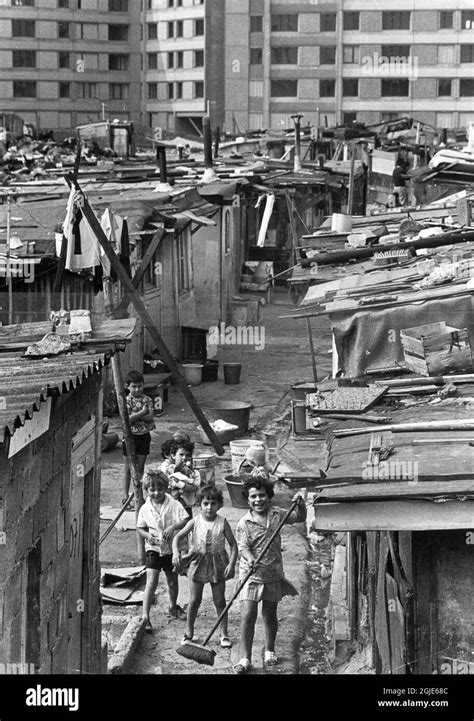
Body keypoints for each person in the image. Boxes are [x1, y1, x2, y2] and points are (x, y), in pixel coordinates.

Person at [233, 478, 306, 674]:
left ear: (269, 496)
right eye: (253, 497)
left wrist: (302, 505)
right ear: (248, 501)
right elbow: (243, 548)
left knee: (269, 614)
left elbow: (299, 518)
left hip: (272, 573)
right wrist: (250, 559)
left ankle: (270, 649)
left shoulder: (278, 514)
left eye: (262, 495)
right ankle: (245, 658)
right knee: (248, 615)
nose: (258, 500)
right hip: (251, 575)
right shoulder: (244, 523)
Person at [172, 485, 238, 647]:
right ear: (199, 504)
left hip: (218, 563)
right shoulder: (195, 521)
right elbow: (177, 537)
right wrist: (175, 553)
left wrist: (232, 563)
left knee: (220, 600)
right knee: (194, 600)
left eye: (213, 503)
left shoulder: (223, 523)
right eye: (206, 503)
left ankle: (224, 633)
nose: (209, 507)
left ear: (219, 505)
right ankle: (189, 632)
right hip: (197, 562)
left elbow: (233, 545)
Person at [136, 469, 189, 632]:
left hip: (171, 548)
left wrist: (173, 527)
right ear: (147, 490)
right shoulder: (145, 508)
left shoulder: (174, 504)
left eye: (160, 489)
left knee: (172, 580)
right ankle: (146, 616)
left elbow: (186, 519)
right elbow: (140, 527)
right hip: (153, 548)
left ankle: (173, 606)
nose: (156, 493)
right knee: (151, 581)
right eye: (152, 490)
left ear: (165, 488)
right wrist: (147, 536)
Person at [122, 370, 155, 508]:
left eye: (140, 386)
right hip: (130, 437)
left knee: (140, 468)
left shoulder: (147, 399)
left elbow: (150, 417)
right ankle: (125, 495)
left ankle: (138, 496)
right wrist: (142, 412)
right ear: (127, 386)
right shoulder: (125, 400)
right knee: (128, 468)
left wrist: (137, 416)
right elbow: (127, 419)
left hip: (144, 437)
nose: (137, 389)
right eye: (134, 386)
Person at [160, 438, 201, 517]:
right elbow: (166, 485)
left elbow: (195, 488)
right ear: (173, 455)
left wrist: (180, 483)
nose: (184, 458)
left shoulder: (193, 472)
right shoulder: (167, 468)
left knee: (186, 521)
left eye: (188, 455)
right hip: (169, 504)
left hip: (186, 504)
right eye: (181, 454)